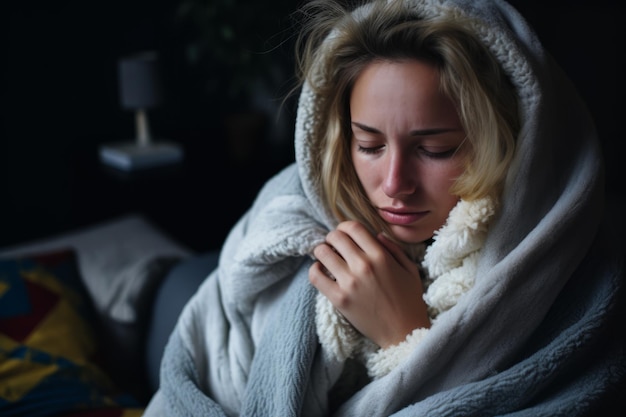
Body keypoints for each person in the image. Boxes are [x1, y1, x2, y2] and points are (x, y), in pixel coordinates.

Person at [144, 0, 625, 415]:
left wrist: (407, 337)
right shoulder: (282, 224)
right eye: (369, 146)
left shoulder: (580, 282)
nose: (394, 185)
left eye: (435, 150)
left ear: (514, 144)